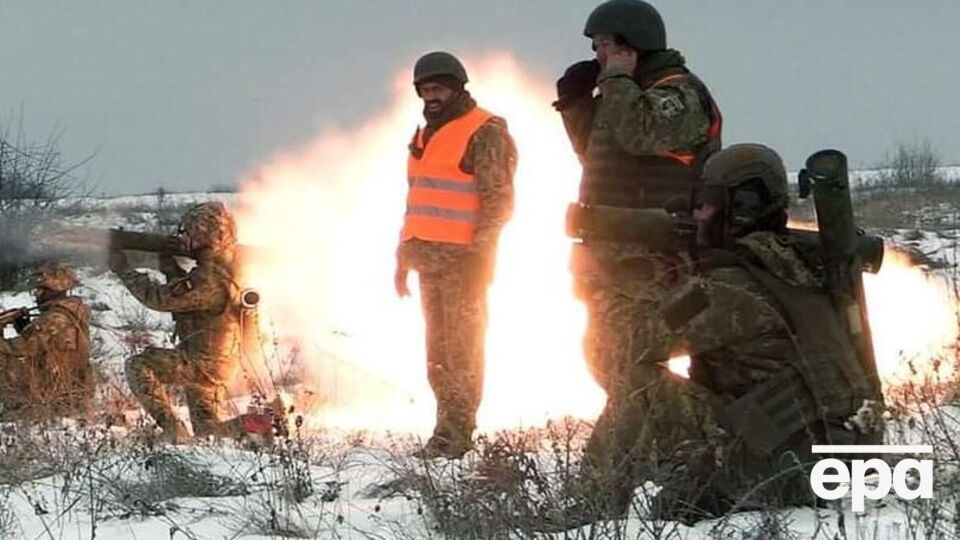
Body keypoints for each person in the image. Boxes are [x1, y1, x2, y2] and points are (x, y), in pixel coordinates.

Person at [550, 144, 885, 528]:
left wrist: (600, 285)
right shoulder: (799, 262)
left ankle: (589, 513)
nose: (696, 213)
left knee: (639, 384)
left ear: (740, 206)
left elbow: (622, 351)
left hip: (785, 471)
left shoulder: (728, 288)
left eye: (706, 203)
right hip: (835, 454)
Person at [394, 51, 517, 458]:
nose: (432, 97)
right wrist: (401, 258)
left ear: (458, 86)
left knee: (462, 351)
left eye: (438, 88)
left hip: (465, 264)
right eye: (425, 90)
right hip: (428, 263)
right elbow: (417, 201)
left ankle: (457, 435)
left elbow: (498, 201)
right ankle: (443, 430)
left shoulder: (484, 131)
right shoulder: (424, 135)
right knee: (438, 354)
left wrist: (481, 257)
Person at [109, 202, 249, 443]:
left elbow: (158, 299)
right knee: (208, 429)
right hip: (216, 364)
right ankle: (255, 426)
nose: (183, 238)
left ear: (203, 235)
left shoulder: (209, 279)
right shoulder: (219, 272)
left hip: (200, 364)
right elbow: (189, 299)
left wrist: (123, 270)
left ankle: (174, 430)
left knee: (138, 365)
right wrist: (170, 267)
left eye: (189, 233)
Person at [0, 262, 93, 421]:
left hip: (51, 389)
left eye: (41, 291)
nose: (37, 295)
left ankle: (16, 407)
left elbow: (16, 349)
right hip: (69, 385)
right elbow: (45, 345)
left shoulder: (53, 319)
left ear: (54, 291)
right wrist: (25, 327)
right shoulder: (72, 312)